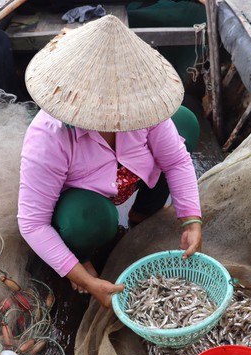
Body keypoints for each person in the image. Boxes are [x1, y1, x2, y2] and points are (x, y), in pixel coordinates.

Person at [17, 15, 202, 309]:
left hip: (129, 177)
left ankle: (142, 213)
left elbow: (177, 161)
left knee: (184, 124)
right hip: (82, 203)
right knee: (89, 220)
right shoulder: (47, 136)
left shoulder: (143, 106)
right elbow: (32, 224)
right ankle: (81, 254)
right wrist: (85, 278)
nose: (114, 114)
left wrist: (192, 219)